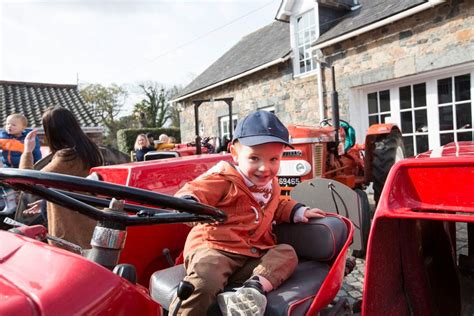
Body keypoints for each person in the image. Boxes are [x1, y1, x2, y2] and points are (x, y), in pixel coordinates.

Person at [170, 110, 326, 315]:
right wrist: (188, 202)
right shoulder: (224, 179)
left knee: (287, 253)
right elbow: (197, 190)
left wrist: (297, 210)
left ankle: (253, 290)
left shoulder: (272, 186)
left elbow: (276, 205)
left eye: (273, 159)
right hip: (216, 249)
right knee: (205, 280)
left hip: (252, 255)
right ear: (235, 153)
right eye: (254, 158)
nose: (265, 168)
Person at [20, 106, 104, 250]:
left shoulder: (66, 156)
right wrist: (46, 203)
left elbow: (27, 181)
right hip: (90, 224)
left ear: (52, 131)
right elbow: (77, 188)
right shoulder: (91, 150)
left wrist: (27, 151)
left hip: (71, 232)